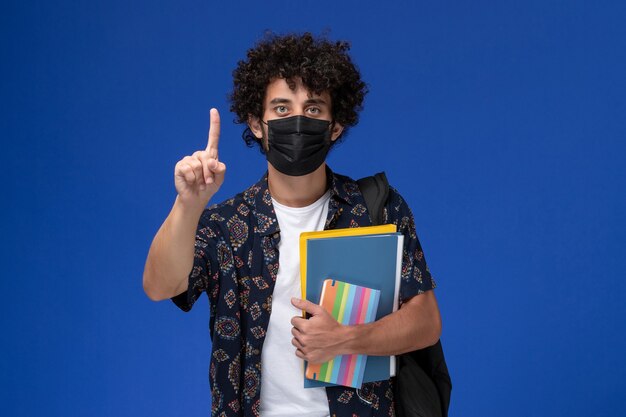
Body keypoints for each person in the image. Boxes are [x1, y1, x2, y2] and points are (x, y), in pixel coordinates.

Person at [143, 32, 442, 417]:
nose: (298, 121)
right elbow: (159, 286)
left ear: (335, 126)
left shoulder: (377, 209)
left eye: (314, 109)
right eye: (282, 109)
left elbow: (426, 322)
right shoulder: (225, 223)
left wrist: (347, 339)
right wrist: (189, 203)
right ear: (256, 123)